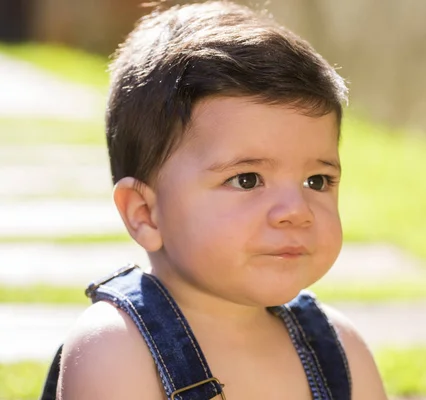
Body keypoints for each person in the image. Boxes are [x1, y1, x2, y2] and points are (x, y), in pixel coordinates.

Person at [53, 1, 387, 399]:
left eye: (317, 180)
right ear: (146, 215)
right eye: (247, 180)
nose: (296, 211)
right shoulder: (116, 347)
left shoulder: (339, 351)